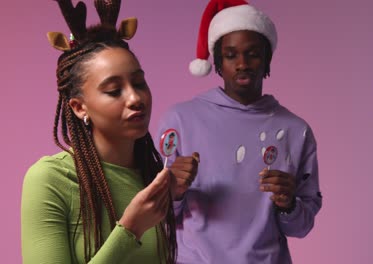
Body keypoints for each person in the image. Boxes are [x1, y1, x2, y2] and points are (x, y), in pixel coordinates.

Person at [156, 0, 322, 263]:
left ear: (267, 57)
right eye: (231, 55)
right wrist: (174, 191)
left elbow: (302, 226)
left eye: (253, 53)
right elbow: (154, 218)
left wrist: (288, 204)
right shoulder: (179, 120)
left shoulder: (296, 130)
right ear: (219, 61)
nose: (242, 64)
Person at [21, 0, 176, 263]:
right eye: (114, 90)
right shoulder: (51, 179)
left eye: (139, 83)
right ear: (80, 107)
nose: (135, 97)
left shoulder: (151, 173)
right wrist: (130, 229)